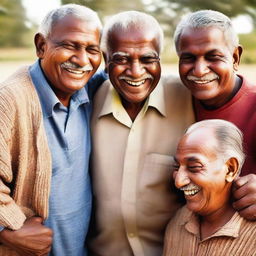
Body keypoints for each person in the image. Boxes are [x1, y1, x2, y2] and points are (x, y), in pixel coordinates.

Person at [87, 11, 194, 256]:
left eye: (147, 58)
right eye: (122, 59)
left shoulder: (189, 98)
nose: (135, 71)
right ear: (105, 60)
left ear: (160, 59)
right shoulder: (87, 101)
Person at [0, 4, 104, 256]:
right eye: (69, 46)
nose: (82, 60)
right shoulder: (10, 100)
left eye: (92, 49)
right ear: (41, 46)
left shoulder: (88, 89)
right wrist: (4, 230)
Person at [174, 10, 256, 220]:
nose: (200, 70)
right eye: (189, 58)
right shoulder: (174, 100)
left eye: (214, 57)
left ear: (235, 57)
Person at [163, 119, 256, 255]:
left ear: (230, 169)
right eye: (177, 167)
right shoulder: (178, 223)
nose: (179, 181)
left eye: (194, 167)